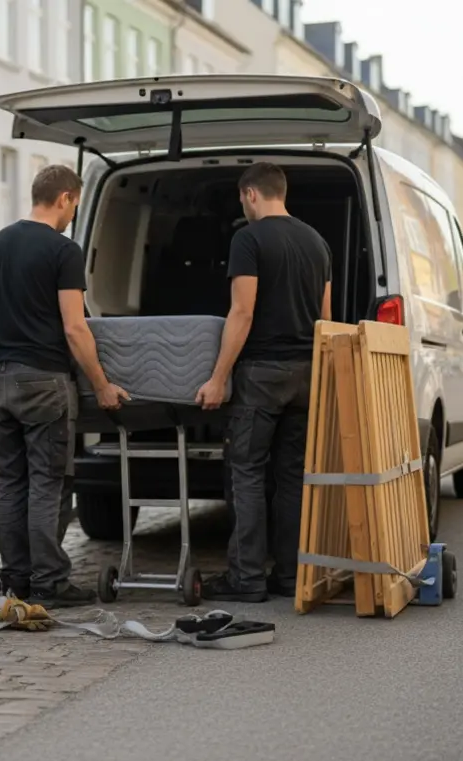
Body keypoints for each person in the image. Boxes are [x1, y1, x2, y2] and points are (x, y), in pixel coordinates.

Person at [0, 164, 130, 608]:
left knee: (11, 481)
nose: (72, 214)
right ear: (64, 197)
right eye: (75, 205)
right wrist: (101, 384)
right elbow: (75, 328)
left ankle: (16, 580)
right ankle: (49, 582)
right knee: (47, 483)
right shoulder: (64, 251)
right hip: (43, 381)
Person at [194, 162, 332, 603]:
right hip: (307, 373)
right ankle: (290, 576)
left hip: (262, 373)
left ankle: (247, 578)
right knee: (292, 476)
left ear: (251, 194)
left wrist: (218, 377)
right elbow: (326, 319)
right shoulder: (317, 242)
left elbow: (242, 312)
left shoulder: (248, 239)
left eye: (242, 199)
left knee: (247, 471)